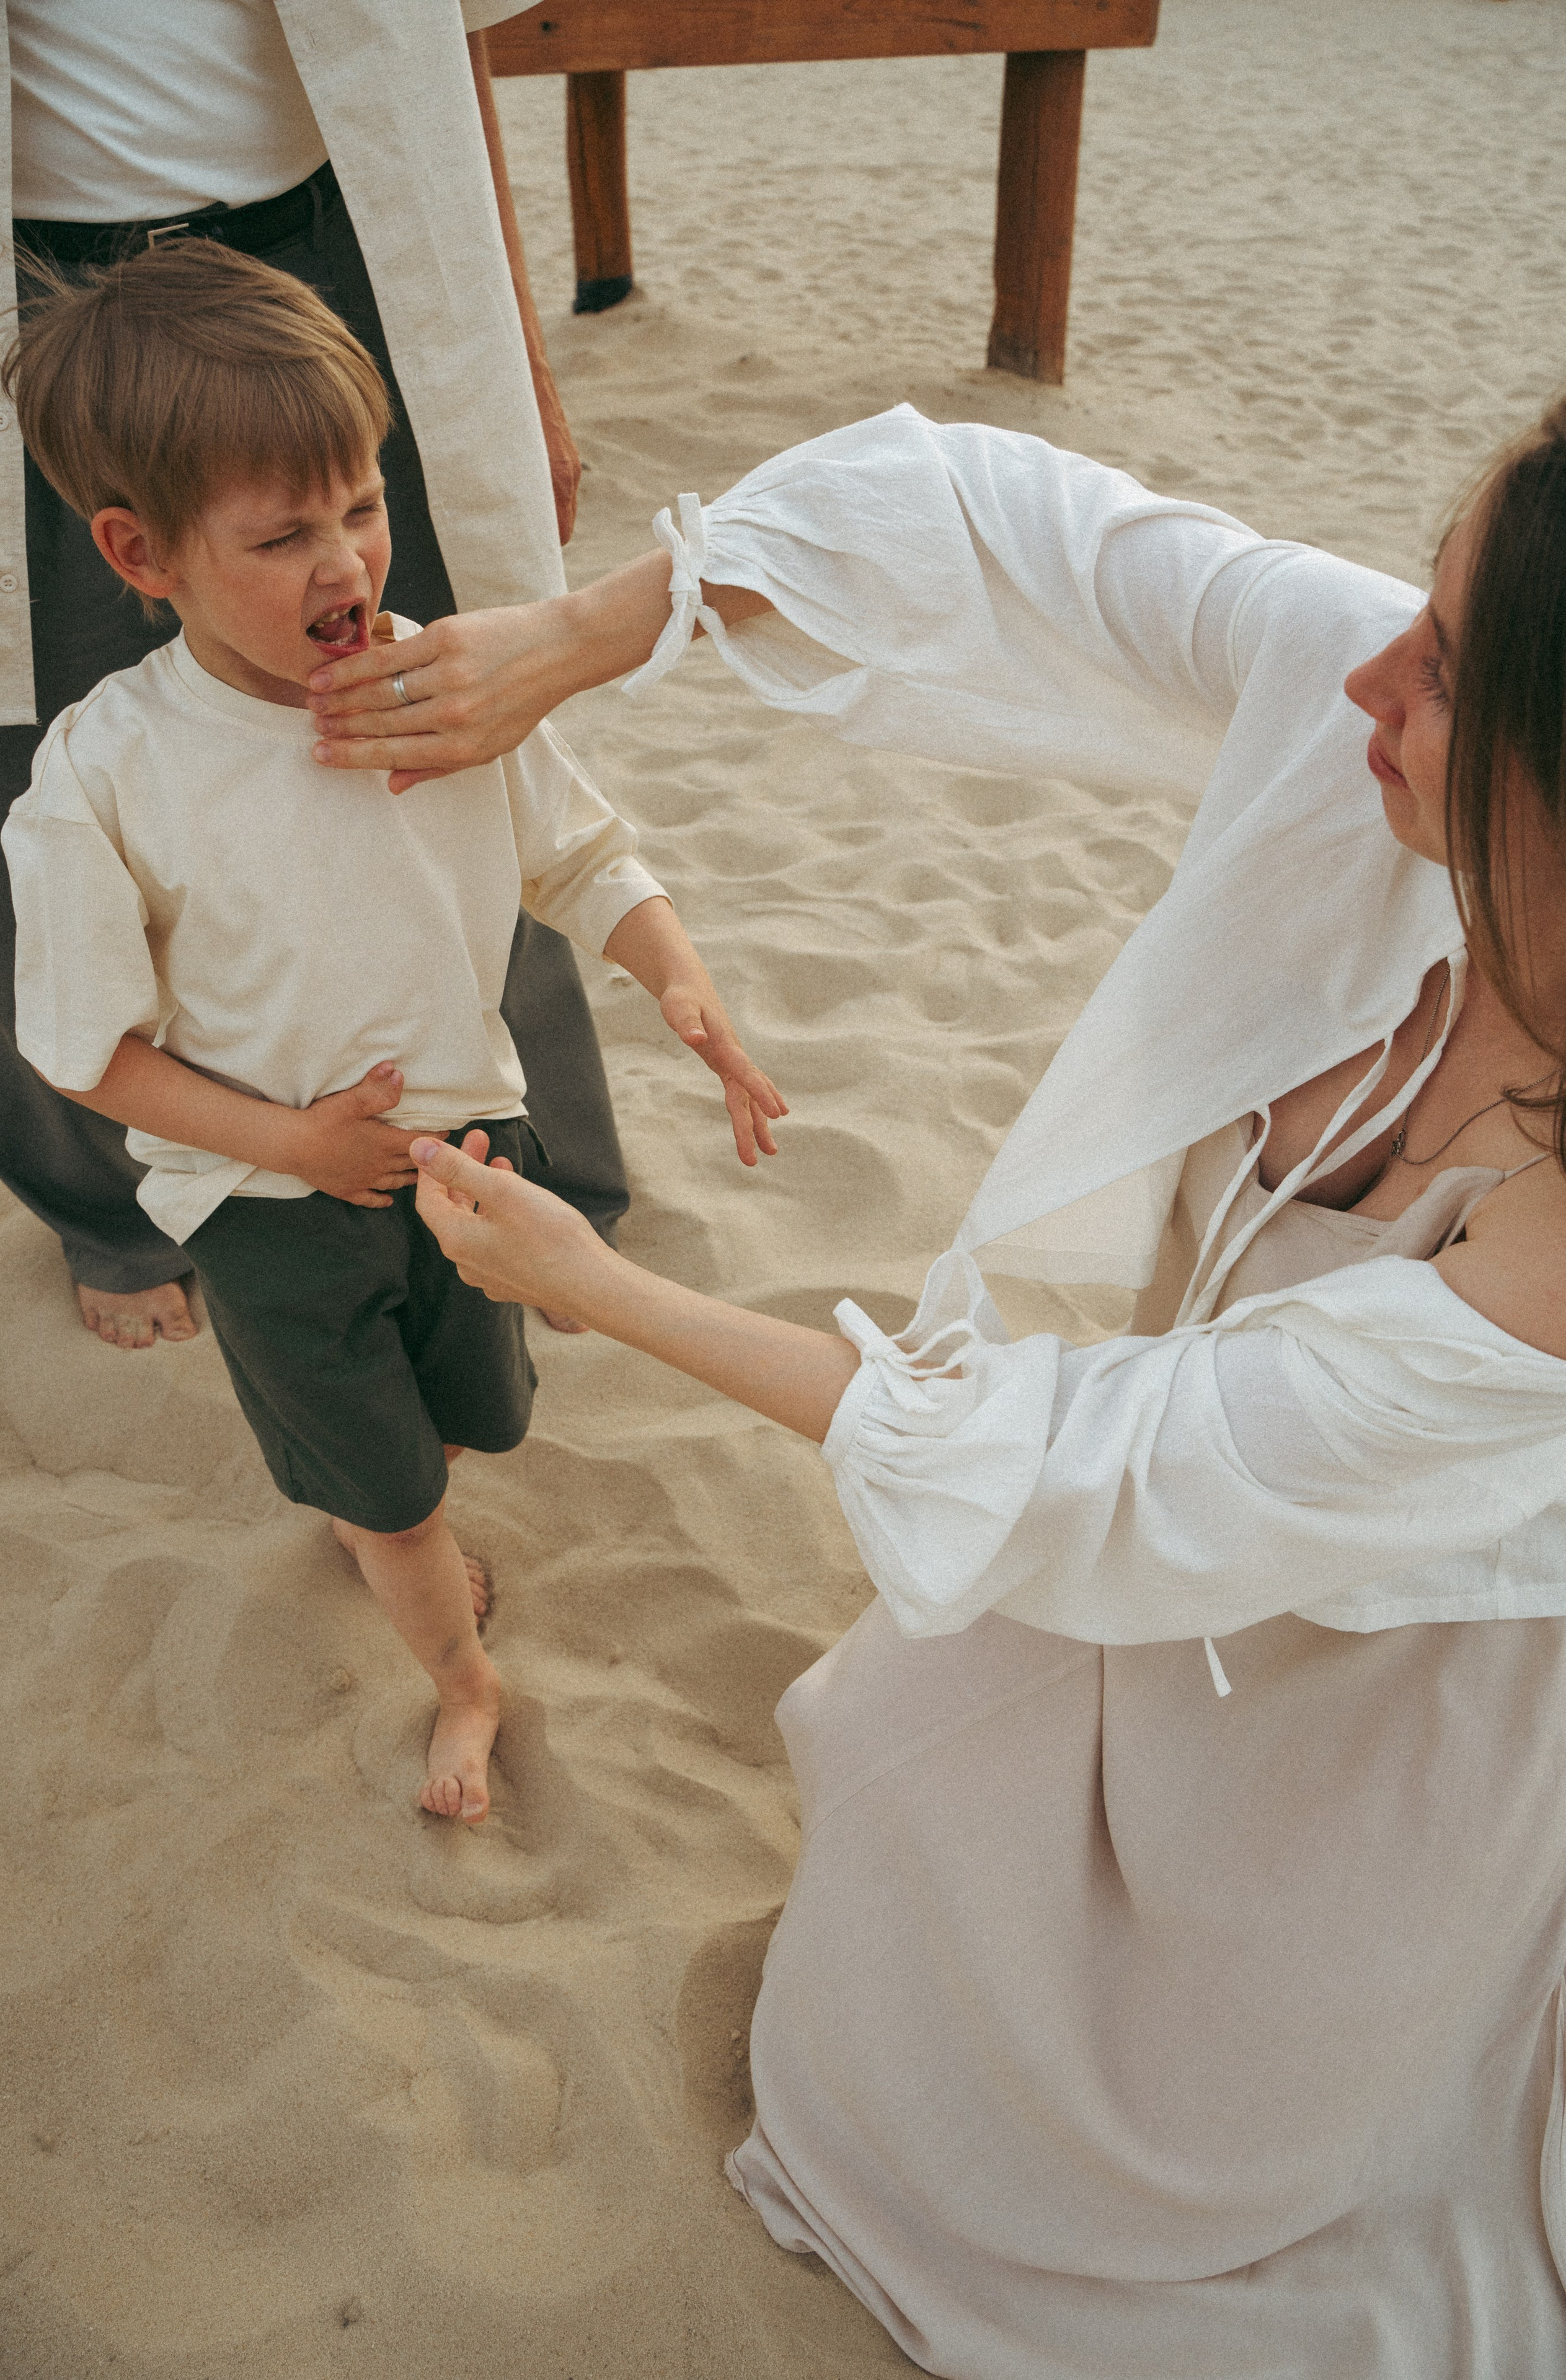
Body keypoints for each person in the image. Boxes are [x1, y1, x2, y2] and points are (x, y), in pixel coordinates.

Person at [324, 395, 1566, 2369]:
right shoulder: (1368, 742)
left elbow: (1107, 1471)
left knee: (1186, 2197)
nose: (1368, 668)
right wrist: (594, 629)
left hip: (1385, 1726)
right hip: (1157, 1584)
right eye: (1427, 601)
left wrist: (605, 1292)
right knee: (902, 2027)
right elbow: (1013, 520)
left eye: (1451, 661)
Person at [0, 243, 784, 1825]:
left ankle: (381, 1504)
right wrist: (296, 1144)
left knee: (476, 1411)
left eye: (359, 505)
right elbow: (83, 1052)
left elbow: (581, 856)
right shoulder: (106, 778)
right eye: (281, 535)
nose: (346, 562)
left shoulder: (447, 682)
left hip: (470, 1157)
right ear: (139, 553)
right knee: (395, 1489)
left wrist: (672, 971)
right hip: (271, 1207)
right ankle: (461, 1681)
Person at [0, 0, 612, 1354]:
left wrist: (525, 368)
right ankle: (119, 1205)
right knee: (32, 768)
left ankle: (534, 1168)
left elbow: (450, 42)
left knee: (453, 711)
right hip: (25, 290)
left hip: (330, 242)